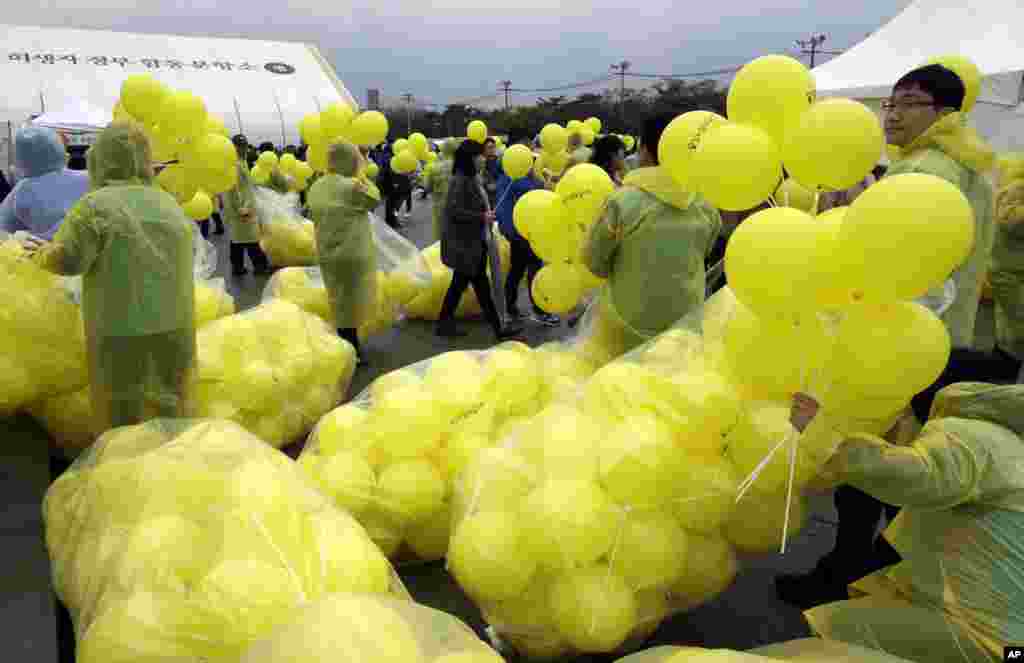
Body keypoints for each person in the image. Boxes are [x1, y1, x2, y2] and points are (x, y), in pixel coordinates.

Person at [778, 64, 998, 611]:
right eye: (890, 103)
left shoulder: (923, 173)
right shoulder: (968, 167)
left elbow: (903, 268)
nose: (892, 114)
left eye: (909, 103)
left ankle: (851, 572)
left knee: (868, 458)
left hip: (895, 337)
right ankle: (883, 568)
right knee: (910, 460)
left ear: (943, 114)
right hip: (942, 338)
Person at [788, 383, 1024, 663]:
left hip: (981, 630)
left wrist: (817, 433)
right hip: (1011, 641)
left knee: (826, 632)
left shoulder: (974, 438)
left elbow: (913, 474)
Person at [24, 121, 196, 432]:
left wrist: (38, 253)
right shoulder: (168, 203)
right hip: (176, 326)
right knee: (171, 407)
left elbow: (68, 260)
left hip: (119, 329)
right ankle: (173, 470)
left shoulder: (95, 205)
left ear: (98, 159)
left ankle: (123, 474)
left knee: (122, 414)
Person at [580, 113, 722, 356]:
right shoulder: (705, 203)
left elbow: (595, 262)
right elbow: (705, 252)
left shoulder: (621, 201)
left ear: (644, 149)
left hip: (624, 328)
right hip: (684, 325)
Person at [437, 139, 523, 340]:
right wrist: (481, 216)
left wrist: (485, 212)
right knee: (475, 285)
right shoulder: (460, 180)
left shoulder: (470, 178)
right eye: (479, 155)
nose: (482, 159)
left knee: (464, 285)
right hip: (467, 244)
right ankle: (498, 328)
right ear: (470, 158)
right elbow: (453, 210)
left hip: (472, 243)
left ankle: (447, 323)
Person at [307, 140, 380, 366]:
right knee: (352, 300)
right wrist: (361, 176)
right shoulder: (353, 185)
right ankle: (351, 349)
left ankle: (346, 344)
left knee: (337, 298)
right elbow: (374, 199)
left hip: (327, 251)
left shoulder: (316, 185)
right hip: (353, 251)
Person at [497, 129, 559, 326]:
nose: (531, 149)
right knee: (533, 270)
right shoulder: (515, 174)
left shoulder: (512, 170)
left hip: (519, 230)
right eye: (527, 146)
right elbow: (533, 192)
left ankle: (511, 308)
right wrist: (546, 185)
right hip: (523, 231)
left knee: (518, 270)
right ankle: (539, 310)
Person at [0, 127, 89, 240]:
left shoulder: (22, 190)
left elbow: (5, 226)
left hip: (45, 253)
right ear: (58, 148)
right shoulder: (87, 178)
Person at [987, 157, 1024, 382]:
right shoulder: (1016, 188)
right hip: (1009, 276)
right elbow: (1008, 219)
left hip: (1011, 274)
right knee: (1011, 341)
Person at [222, 134, 272, 276]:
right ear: (234, 147)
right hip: (242, 208)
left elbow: (246, 185)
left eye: (244, 146)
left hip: (244, 206)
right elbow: (233, 188)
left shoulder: (241, 162)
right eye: (240, 146)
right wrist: (240, 208)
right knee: (251, 239)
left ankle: (237, 267)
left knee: (238, 239)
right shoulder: (234, 165)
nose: (243, 149)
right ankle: (260, 266)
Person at [424, 138, 459, 243]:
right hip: (459, 205)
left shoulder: (435, 167)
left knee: (441, 236)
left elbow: (427, 187)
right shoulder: (462, 167)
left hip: (440, 206)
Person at [482, 137, 500, 207]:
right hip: (487, 202)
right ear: (484, 150)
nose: (492, 150)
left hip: (499, 199)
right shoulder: (481, 164)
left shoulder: (499, 162)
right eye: (489, 147)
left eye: (493, 147)